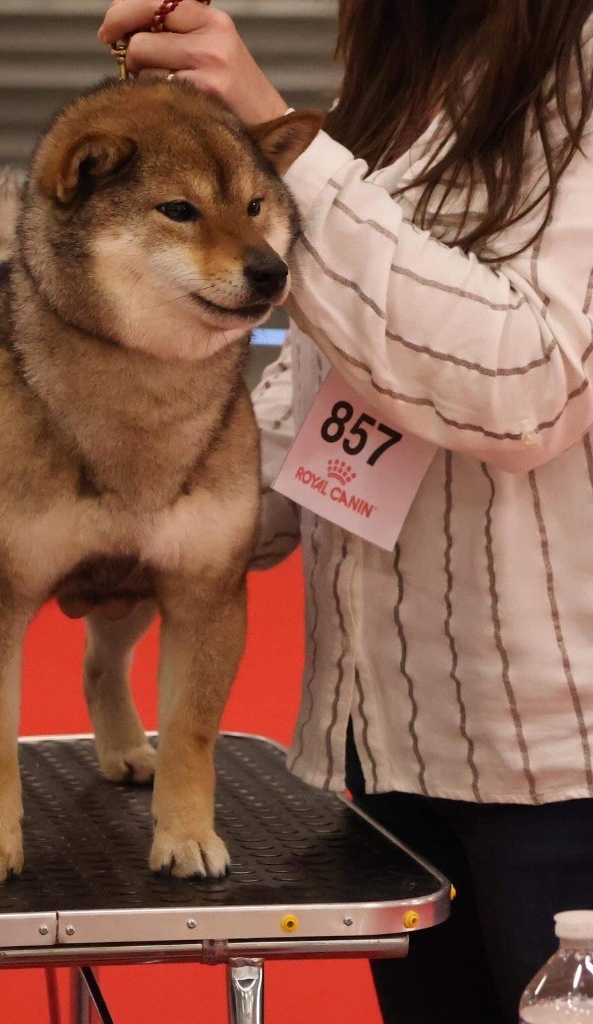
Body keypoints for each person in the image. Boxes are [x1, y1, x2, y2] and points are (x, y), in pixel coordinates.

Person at [92, 3, 593, 1022]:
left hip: (555, 763)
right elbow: (339, 379)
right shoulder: (407, 65)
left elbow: (529, 383)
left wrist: (285, 152)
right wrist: (158, 529)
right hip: (390, 742)